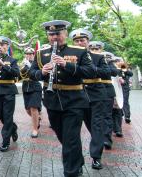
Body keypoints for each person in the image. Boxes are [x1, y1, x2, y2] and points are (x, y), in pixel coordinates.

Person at [29, 20, 95, 177]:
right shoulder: (41, 54)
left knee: (71, 138)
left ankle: (71, 172)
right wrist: (42, 73)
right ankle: (77, 160)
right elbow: (31, 73)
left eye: (57, 34)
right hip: (52, 101)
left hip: (74, 101)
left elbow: (90, 72)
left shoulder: (79, 51)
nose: (54, 37)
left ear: (65, 34)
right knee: (63, 136)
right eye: (51, 34)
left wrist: (67, 65)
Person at [70, 31, 109, 170]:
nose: (80, 43)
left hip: (96, 95)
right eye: (77, 41)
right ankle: (76, 161)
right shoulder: (70, 57)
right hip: (78, 95)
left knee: (96, 126)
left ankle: (96, 157)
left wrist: (91, 68)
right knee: (77, 129)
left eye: (83, 40)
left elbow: (106, 73)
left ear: (88, 41)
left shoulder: (98, 57)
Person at [0, 36, 20, 151]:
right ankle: (13, 128)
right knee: (0, 114)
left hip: (8, 91)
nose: (0, 47)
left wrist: (2, 64)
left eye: (2, 45)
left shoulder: (12, 60)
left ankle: (5, 141)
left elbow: (16, 73)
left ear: (7, 46)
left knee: (7, 116)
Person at [20, 47, 42, 138]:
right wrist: (23, 67)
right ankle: (37, 118)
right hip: (26, 87)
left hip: (35, 86)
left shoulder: (37, 63)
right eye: (27, 54)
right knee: (28, 110)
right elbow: (20, 76)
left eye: (30, 54)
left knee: (33, 108)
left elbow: (39, 74)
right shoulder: (22, 64)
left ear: (34, 55)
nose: (28, 55)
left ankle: (35, 129)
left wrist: (30, 66)